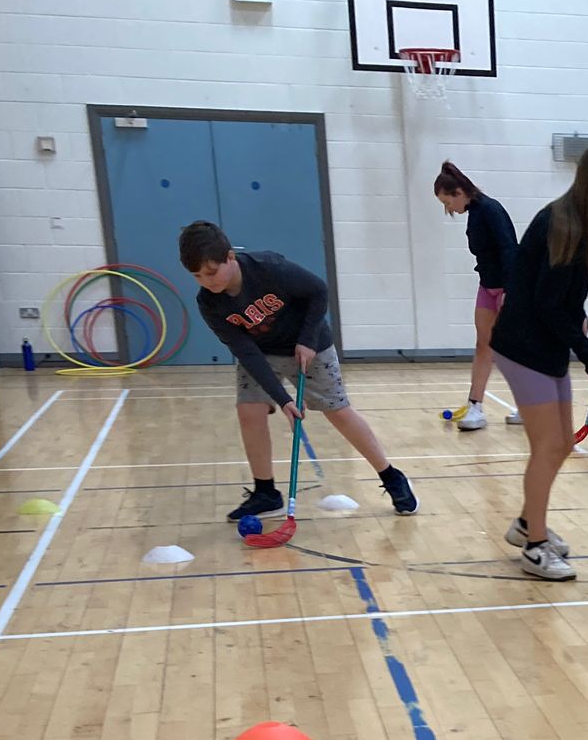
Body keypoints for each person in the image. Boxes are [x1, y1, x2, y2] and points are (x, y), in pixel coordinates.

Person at [179, 221, 418, 518]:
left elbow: (318, 291)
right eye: (197, 276)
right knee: (249, 410)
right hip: (262, 353)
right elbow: (246, 352)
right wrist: (284, 400)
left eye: (211, 272)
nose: (207, 281)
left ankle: (391, 476)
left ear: (230, 257)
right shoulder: (209, 303)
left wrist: (307, 340)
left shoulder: (268, 268)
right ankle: (266, 492)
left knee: (339, 412)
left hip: (309, 344)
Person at [488, 143, 588, 580]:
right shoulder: (561, 225)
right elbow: (547, 305)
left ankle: (529, 522)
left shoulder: (581, 223)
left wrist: (580, 318)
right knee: (548, 446)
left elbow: (562, 297)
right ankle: (534, 547)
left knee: (563, 443)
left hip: (545, 345)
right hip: (522, 346)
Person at [432, 160, 522, 430]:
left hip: (506, 289)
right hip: (487, 287)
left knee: (514, 349)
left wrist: (510, 290)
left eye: (447, 202)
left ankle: (530, 404)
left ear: (459, 192)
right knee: (483, 345)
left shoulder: (491, 210)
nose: (448, 208)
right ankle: (475, 407)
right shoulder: (473, 214)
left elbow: (509, 250)